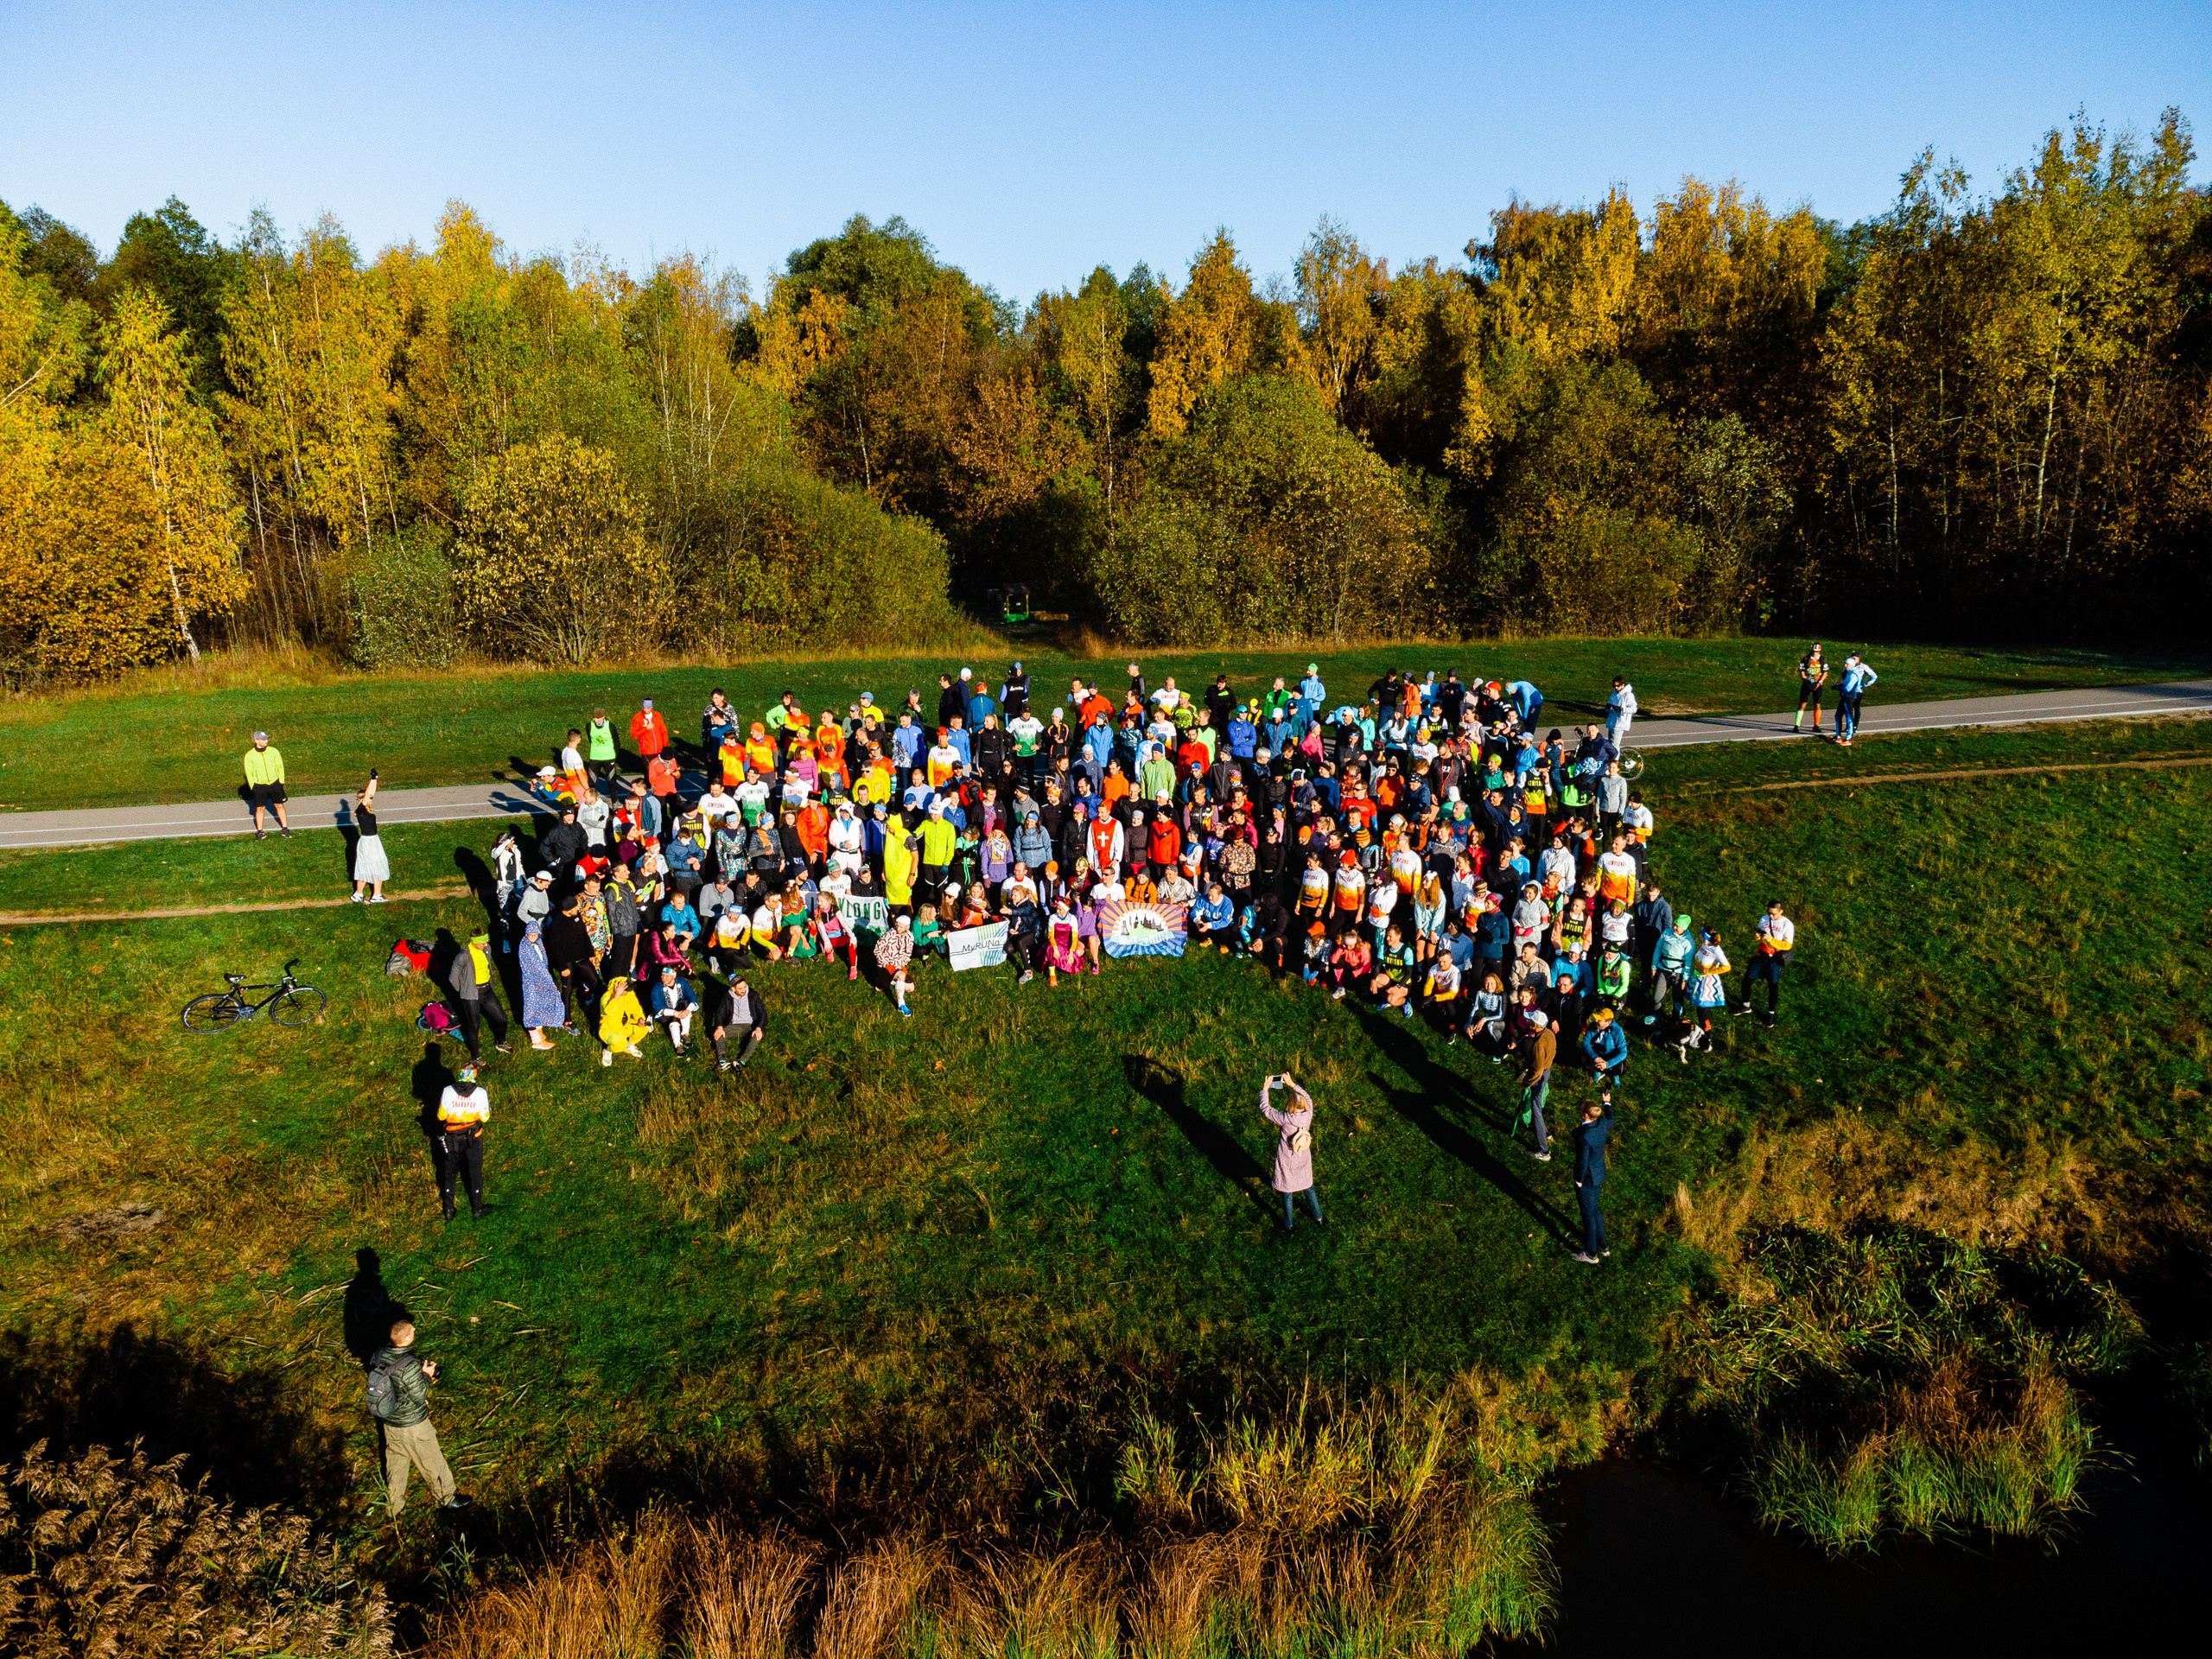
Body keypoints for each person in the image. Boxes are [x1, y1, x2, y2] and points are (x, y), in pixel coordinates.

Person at [368, 1319, 470, 1516]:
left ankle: (393, 1506)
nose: (415, 1332)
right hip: (413, 1425)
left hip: (390, 1422)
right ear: (406, 1338)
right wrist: (427, 1374)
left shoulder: (379, 1354)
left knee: (396, 1463)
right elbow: (420, 1395)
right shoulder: (410, 1366)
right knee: (432, 1460)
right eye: (412, 1332)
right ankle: (447, 1499)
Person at [1260, 1072, 1322, 1232]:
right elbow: (1308, 1098)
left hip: (1287, 1160)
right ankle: (1319, 1218)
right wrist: (1292, 1083)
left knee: (1287, 1194)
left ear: (1290, 1105)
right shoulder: (1308, 1114)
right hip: (1303, 1157)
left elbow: (1266, 1109)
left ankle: (1288, 1225)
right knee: (1309, 1188)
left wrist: (1265, 1089)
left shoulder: (1284, 1118)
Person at [435, 1063, 491, 1220]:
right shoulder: (480, 1093)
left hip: (452, 1138)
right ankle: (478, 1209)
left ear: (460, 1073)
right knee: (475, 1172)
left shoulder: (447, 1091)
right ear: (475, 1074)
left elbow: (441, 1116)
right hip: (473, 1137)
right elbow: (485, 1118)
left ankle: (448, 1210)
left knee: (449, 1173)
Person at [446, 931, 512, 1058]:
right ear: (475, 942)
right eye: (483, 943)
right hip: (471, 994)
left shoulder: (487, 949)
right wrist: (465, 990)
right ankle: (476, 1056)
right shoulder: (463, 956)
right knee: (474, 1025)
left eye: (486, 942)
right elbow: (453, 978)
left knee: (502, 1019)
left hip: (487, 991)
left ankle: (501, 1042)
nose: (486, 945)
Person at [1570, 1089, 1614, 1264]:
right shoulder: (1602, 1124)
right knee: (1595, 1210)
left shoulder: (1584, 1136)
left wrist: (1578, 1180)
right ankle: (1603, 1246)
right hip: (1598, 1173)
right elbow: (1612, 1120)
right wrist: (1607, 1103)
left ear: (1586, 1116)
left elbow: (1582, 1161)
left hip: (1587, 1177)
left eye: (1581, 1110)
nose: (1579, 1111)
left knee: (1588, 1214)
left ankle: (1591, 1253)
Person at [1738, 899, 1795, 1024]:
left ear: (1781, 912)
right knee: (1747, 980)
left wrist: (1772, 940)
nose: (1770, 916)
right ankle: (1746, 1005)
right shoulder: (1764, 919)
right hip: (1761, 955)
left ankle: (1771, 1013)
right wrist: (1757, 936)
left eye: (1773, 913)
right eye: (1769, 912)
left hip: (1774, 959)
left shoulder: (1787, 925)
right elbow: (1756, 936)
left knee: (1773, 986)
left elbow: (1788, 945)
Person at [1515, 1009, 1556, 1161]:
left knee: (1536, 1108)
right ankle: (1546, 1133)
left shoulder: (1538, 1044)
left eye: (1531, 1021)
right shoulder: (1549, 1033)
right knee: (1537, 1105)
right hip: (1548, 1070)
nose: (1529, 1022)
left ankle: (1544, 1150)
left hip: (1539, 1076)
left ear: (1537, 1026)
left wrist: (1526, 1083)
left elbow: (1537, 1071)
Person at [518, 920, 565, 1050]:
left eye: (535, 935)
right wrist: (549, 981)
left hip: (541, 980)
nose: (533, 937)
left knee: (541, 1004)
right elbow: (536, 967)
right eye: (530, 935)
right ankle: (536, 1041)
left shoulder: (537, 943)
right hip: (533, 982)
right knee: (532, 1008)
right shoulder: (525, 948)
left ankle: (539, 1030)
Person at [709, 975, 765, 1071]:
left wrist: (759, 1028)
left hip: (750, 1026)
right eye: (740, 989)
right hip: (733, 1026)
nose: (744, 990)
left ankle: (741, 1062)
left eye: (745, 987)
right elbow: (719, 1014)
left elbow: (762, 1013)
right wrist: (719, 1027)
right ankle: (723, 1062)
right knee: (718, 1034)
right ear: (733, 989)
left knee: (757, 1036)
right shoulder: (727, 997)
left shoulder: (753, 995)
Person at [349, 774, 390, 903]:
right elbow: (368, 794)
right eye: (368, 798)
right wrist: (372, 779)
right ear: (362, 799)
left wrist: (375, 779)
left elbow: (372, 792)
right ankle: (358, 894)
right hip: (367, 842)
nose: (371, 799)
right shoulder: (360, 810)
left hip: (374, 840)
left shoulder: (366, 809)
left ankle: (377, 894)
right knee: (366, 867)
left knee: (378, 864)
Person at [244, 731, 291, 839]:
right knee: (260, 808)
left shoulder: (273, 751)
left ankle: (285, 829)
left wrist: (281, 781)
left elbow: (280, 766)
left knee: (279, 805)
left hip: (275, 783)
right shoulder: (250, 755)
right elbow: (249, 771)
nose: (266, 741)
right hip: (260, 785)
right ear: (256, 741)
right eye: (263, 739)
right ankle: (260, 832)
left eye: (266, 739)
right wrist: (253, 786)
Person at [598, 975, 649, 1064]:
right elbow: (608, 1011)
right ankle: (608, 1051)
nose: (627, 991)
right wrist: (616, 996)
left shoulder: (629, 994)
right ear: (616, 987)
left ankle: (630, 1045)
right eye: (624, 989)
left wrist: (640, 1018)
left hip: (624, 1026)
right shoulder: (606, 997)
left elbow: (636, 1009)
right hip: (609, 1030)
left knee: (644, 1028)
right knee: (620, 1044)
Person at [648, 963, 696, 1053]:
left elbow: (692, 997)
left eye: (667, 976)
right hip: (665, 1014)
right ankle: (678, 1044)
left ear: (674, 976)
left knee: (685, 1004)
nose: (663, 978)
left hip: (680, 1008)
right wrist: (674, 1013)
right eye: (662, 975)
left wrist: (688, 1010)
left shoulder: (682, 982)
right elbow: (657, 1007)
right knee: (674, 1019)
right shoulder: (657, 988)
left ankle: (685, 1033)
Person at [876, 912, 917, 1016]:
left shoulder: (910, 937)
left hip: (897, 966)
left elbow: (908, 953)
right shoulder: (889, 935)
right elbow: (877, 951)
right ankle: (901, 1005)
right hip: (885, 967)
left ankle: (893, 982)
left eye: (901, 927)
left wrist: (903, 964)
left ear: (907, 927)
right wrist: (886, 964)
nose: (898, 929)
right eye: (897, 926)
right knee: (901, 975)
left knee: (910, 988)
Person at [1835, 653, 1878, 747]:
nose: (1845, 666)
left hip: (1851, 695)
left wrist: (1838, 687)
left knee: (1851, 714)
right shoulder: (1849, 671)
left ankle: (1849, 737)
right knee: (1838, 715)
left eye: (1847, 664)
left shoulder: (1855, 673)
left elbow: (1848, 688)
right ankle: (1838, 736)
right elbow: (1844, 678)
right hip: (1845, 695)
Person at [1793, 645, 1828, 734]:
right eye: (1813, 651)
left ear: (1820, 651)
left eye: (1817, 651)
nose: (1815, 653)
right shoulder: (1806, 659)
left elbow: (1825, 672)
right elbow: (1802, 672)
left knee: (1817, 705)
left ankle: (1816, 725)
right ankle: (1797, 725)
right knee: (1802, 704)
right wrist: (1806, 681)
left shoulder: (1823, 660)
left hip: (1817, 684)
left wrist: (1820, 682)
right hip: (1807, 684)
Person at [1605, 677, 1637, 747]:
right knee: (1609, 745)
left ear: (1623, 685)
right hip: (1612, 722)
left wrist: (1622, 709)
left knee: (1615, 745)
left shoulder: (1628, 695)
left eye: (1618, 686)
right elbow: (1609, 703)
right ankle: (1611, 757)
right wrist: (1608, 707)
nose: (1616, 687)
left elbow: (1633, 709)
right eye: (1614, 686)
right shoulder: (1614, 694)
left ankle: (1616, 758)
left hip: (1620, 723)